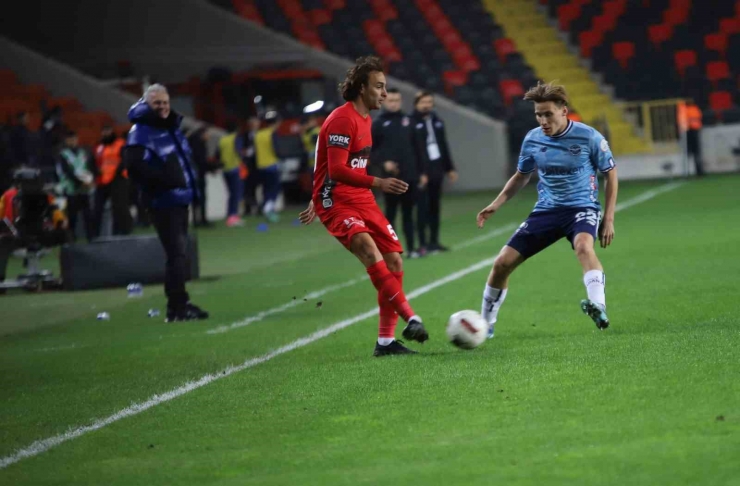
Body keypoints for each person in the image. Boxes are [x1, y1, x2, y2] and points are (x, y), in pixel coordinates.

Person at [298, 56, 428, 357]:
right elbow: (337, 169)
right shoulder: (343, 118)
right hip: (337, 200)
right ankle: (412, 317)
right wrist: (378, 182)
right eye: (379, 87)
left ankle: (385, 343)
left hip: (360, 197)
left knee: (395, 260)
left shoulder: (365, 119)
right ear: (361, 88)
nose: (384, 93)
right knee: (369, 251)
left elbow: (327, 158)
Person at [476, 81, 618, 338]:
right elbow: (521, 176)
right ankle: (485, 324)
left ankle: (598, 305)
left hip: (581, 208)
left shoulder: (589, 136)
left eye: (548, 114)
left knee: (584, 247)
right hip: (546, 211)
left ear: (564, 110)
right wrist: (496, 204)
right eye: (538, 115)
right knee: (501, 264)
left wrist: (608, 218)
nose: (543, 120)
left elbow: (610, 174)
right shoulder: (532, 139)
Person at [124, 84, 208, 322]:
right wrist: (166, 182)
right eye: (156, 103)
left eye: (165, 102)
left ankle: (181, 303)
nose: (162, 107)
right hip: (162, 201)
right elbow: (134, 167)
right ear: (146, 104)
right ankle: (176, 308)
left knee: (179, 255)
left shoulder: (169, 127)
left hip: (179, 199)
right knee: (176, 254)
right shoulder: (140, 132)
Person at [371, 88, 422, 258]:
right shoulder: (378, 123)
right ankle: (392, 250)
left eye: (397, 100)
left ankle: (412, 248)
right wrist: (384, 162)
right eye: (391, 100)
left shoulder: (409, 121)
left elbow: (418, 149)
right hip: (389, 179)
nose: (394, 103)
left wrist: (421, 172)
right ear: (384, 101)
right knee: (390, 215)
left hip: (409, 176)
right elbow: (370, 151)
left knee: (409, 213)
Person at [411, 91, 458, 254]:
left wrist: (450, 168)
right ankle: (423, 243)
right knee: (422, 207)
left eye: (429, 102)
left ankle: (434, 241)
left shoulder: (437, 121)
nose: (427, 105)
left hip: (436, 167)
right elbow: (412, 151)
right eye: (423, 102)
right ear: (416, 104)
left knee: (434, 206)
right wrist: (419, 172)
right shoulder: (410, 122)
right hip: (421, 171)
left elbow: (443, 145)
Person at [56, 130, 95, 242]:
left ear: (77, 139)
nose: (72, 141)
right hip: (71, 189)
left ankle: (91, 238)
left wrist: (90, 180)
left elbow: (88, 168)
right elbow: (67, 172)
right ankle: (71, 239)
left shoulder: (83, 153)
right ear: (66, 141)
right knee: (72, 216)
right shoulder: (63, 155)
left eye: (73, 139)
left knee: (87, 215)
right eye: (69, 139)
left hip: (84, 189)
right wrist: (81, 182)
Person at [93, 126, 132, 237]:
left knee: (120, 207)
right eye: (104, 131)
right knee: (97, 208)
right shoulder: (99, 146)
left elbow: (125, 159)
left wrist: (117, 172)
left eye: (108, 131)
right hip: (102, 180)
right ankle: (95, 234)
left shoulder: (120, 144)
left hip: (118, 180)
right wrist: (96, 172)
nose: (106, 133)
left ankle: (123, 231)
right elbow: (94, 161)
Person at [254, 110, 283, 223]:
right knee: (274, 189)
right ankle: (268, 209)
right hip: (272, 165)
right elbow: (276, 149)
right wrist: (282, 157)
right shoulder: (273, 133)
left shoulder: (258, 134)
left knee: (266, 189)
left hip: (260, 166)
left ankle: (268, 211)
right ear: (276, 122)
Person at [218, 122, 246, 227]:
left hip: (225, 170)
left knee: (231, 194)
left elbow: (218, 154)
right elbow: (238, 151)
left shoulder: (222, 140)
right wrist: (243, 158)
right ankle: (233, 217)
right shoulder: (236, 138)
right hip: (235, 168)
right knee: (236, 193)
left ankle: (231, 216)